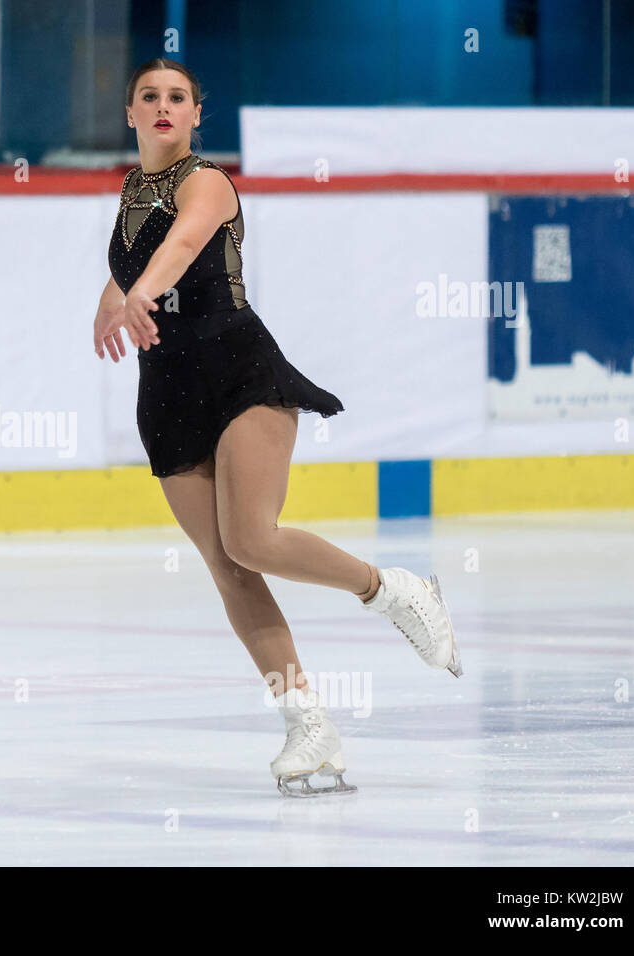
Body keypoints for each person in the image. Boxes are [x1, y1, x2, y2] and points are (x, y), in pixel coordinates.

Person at [94, 58, 463, 798]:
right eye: (149, 97)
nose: (163, 107)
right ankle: (309, 724)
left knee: (252, 537)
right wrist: (108, 300)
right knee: (229, 570)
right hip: (166, 394)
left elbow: (183, 246)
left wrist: (136, 290)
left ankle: (392, 590)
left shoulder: (207, 181)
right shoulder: (134, 190)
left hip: (239, 373)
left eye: (177, 98)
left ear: (198, 114)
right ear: (130, 113)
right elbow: (137, 257)